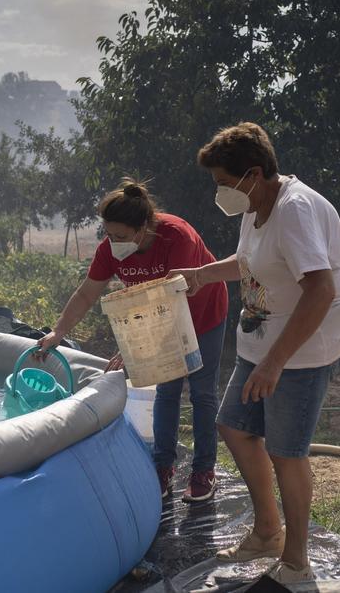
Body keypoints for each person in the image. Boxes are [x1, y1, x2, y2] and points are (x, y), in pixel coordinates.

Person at [175, 122, 340, 585]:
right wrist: (203, 274)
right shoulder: (256, 203)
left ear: (252, 174)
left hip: (304, 346)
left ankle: (296, 559)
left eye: (223, 182)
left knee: (286, 451)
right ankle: (266, 531)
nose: (219, 192)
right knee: (233, 425)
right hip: (263, 336)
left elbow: (319, 290)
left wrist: (277, 361)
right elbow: (248, 263)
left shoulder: (295, 210)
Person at [37, 179, 229, 503]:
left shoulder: (177, 237)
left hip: (203, 314)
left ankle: (203, 471)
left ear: (143, 229)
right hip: (159, 318)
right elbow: (86, 293)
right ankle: (163, 467)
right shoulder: (111, 250)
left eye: (121, 236)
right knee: (167, 391)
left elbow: (171, 302)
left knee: (201, 393)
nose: (114, 243)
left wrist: (134, 348)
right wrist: (59, 332)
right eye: (109, 235)